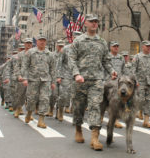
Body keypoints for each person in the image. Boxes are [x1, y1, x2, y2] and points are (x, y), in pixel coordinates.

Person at [69, 14, 117, 151]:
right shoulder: (78, 41)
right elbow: (71, 59)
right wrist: (76, 74)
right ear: (86, 24)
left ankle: (94, 138)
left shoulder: (101, 42)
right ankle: (78, 129)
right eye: (91, 22)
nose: (94, 24)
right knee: (78, 108)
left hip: (96, 80)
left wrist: (112, 71)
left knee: (95, 106)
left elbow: (106, 61)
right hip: (80, 80)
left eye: (96, 21)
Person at [22, 35, 56, 129]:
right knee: (31, 99)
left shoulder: (50, 54)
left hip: (46, 80)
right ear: (37, 42)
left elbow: (53, 69)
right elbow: (25, 66)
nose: (42, 42)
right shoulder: (30, 52)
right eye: (40, 40)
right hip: (33, 79)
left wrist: (53, 81)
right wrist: (24, 78)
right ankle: (29, 113)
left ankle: (41, 120)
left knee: (45, 99)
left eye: (44, 41)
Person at [132, 40, 150, 128]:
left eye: (149, 46)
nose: (149, 48)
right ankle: (132, 118)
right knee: (139, 100)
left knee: (149, 101)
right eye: (147, 46)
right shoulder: (137, 57)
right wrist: (135, 81)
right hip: (140, 83)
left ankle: (146, 121)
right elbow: (132, 70)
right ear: (143, 47)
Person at [107, 41, 125, 128]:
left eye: (117, 46)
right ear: (110, 47)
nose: (116, 48)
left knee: (116, 102)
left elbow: (123, 70)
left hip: (117, 83)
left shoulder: (121, 58)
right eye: (114, 46)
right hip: (107, 82)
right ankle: (101, 117)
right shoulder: (106, 57)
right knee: (105, 102)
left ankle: (115, 120)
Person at [13, 40, 33, 118]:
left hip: (32, 78)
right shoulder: (20, 54)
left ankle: (29, 112)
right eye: (27, 43)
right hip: (22, 77)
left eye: (30, 43)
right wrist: (18, 75)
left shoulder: (34, 53)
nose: (28, 45)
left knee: (31, 97)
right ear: (24, 44)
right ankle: (18, 108)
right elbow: (17, 66)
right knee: (20, 94)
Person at [47, 39, 64, 118]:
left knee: (63, 96)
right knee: (53, 95)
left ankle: (60, 112)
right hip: (53, 78)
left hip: (64, 78)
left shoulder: (67, 55)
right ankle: (51, 109)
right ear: (56, 46)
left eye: (62, 46)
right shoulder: (52, 55)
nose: (61, 47)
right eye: (59, 46)